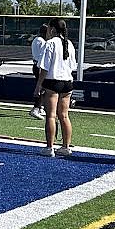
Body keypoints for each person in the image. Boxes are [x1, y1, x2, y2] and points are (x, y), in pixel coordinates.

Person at [36, 17, 77, 158]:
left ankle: (50, 147)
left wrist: (38, 86)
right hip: (67, 82)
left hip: (53, 82)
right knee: (64, 115)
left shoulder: (50, 43)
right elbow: (73, 66)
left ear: (52, 29)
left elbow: (44, 68)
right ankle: (66, 146)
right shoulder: (69, 44)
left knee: (51, 115)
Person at [29, 22, 50, 120]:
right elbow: (44, 56)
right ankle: (36, 108)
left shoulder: (36, 40)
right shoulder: (41, 41)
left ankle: (40, 107)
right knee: (41, 88)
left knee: (43, 88)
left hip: (37, 65)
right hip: (39, 66)